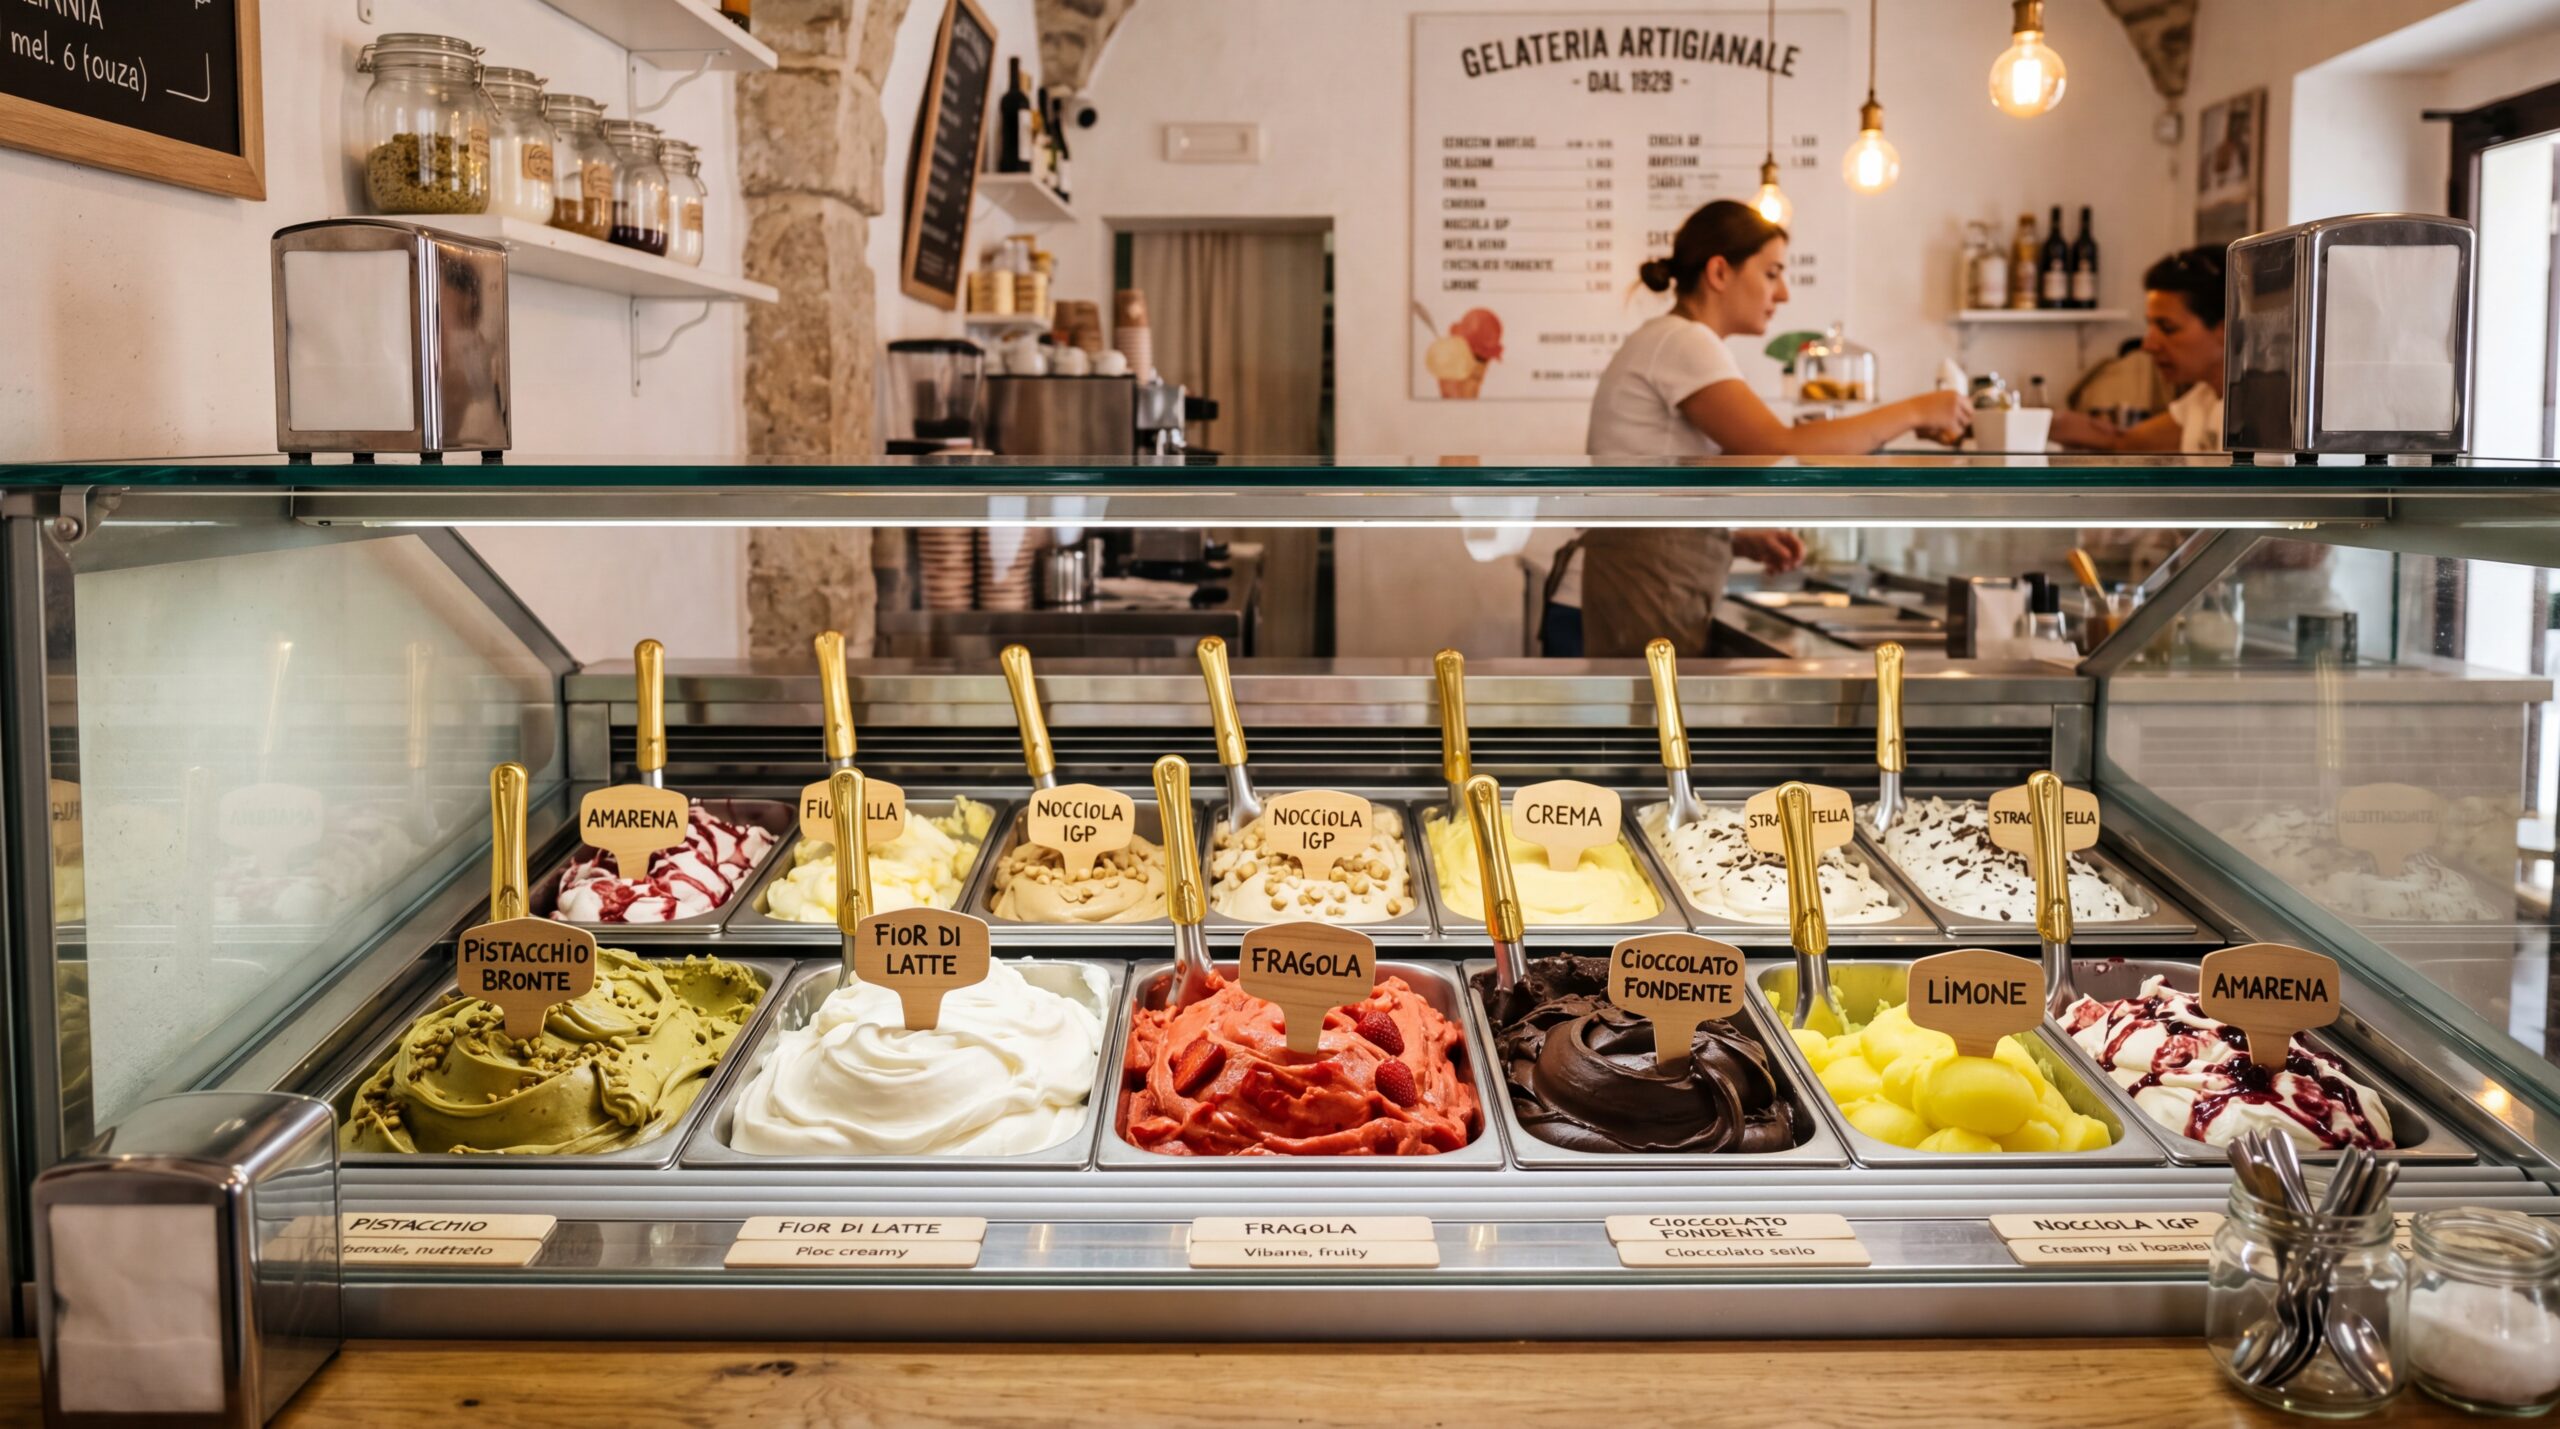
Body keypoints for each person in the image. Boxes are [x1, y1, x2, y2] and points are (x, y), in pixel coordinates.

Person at [1547, 201, 1972, 657]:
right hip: (1641, 585)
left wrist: (1735, 538)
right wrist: (1913, 411)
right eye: (1772, 273)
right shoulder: (1683, 340)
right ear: (1719, 273)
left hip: (1636, 582)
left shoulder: (1671, 339)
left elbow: (1676, 475)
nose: (1784, 293)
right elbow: (1777, 446)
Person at [2051, 246, 2226, 453]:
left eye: (2167, 328)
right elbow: (2125, 442)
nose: (2148, 345)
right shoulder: (2203, 399)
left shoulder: (2259, 416)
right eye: (2150, 326)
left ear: (2226, 328)